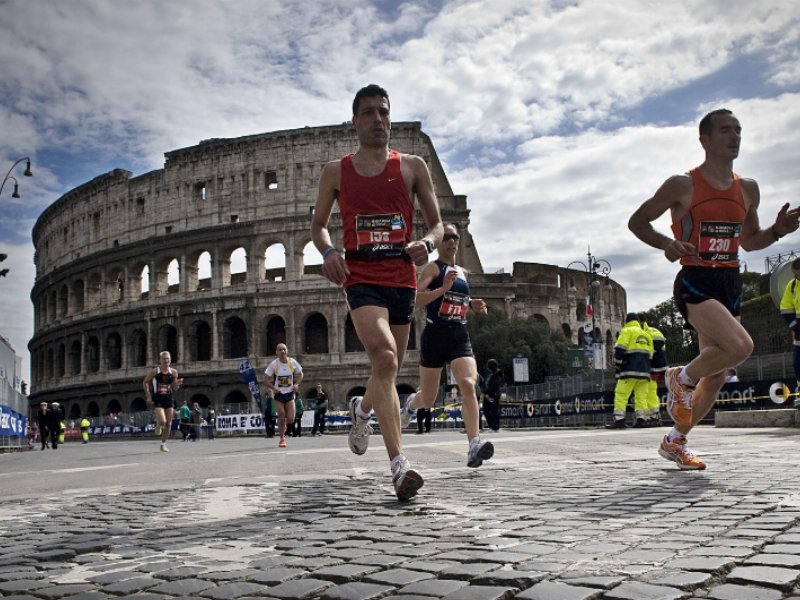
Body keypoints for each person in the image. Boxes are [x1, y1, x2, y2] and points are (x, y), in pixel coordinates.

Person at [628, 108, 800, 470]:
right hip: (695, 278)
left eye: (738, 130)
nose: (734, 136)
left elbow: (751, 241)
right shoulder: (683, 185)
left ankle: (676, 440)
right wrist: (665, 244)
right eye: (725, 131)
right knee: (740, 346)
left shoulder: (748, 188)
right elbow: (638, 221)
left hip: (730, 281)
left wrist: (779, 230)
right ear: (704, 139)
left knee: (719, 372)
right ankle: (681, 376)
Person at [310, 83, 443, 501]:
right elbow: (316, 227)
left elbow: (438, 225)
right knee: (385, 357)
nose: (377, 119)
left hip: (401, 277)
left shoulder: (413, 166)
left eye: (383, 112)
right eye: (368, 112)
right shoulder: (336, 171)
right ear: (354, 121)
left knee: (388, 369)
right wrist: (330, 250)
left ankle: (362, 410)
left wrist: (430, 244)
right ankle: (399, 466)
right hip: (361, 277)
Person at [400, 223, 494, 467]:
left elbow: (459, 297)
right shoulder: (433, 268)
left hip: (458, 335)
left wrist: (472, 304)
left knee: (467, 384)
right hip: (435, 335)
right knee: (429, 400)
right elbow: (415, 299)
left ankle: (474, 444)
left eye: (455, 237)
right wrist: (442, 289)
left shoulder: (463, 271)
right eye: (447, 237)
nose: (452, 241)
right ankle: (411, 403)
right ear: (439, 243)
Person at [606, 313, 653, 429]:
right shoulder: (646, 335)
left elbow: (620, 348)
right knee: (641, 397)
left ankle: (620, 420)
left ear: (626, 321)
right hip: (645, 372)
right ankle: (641, 420)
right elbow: (651, 354)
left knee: (621, 394)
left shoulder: (626, 331)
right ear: (637, 321)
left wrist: (617, 363)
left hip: (629, 370)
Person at [264, 343, 303, 448]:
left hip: (289, 393)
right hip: (279, 394)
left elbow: (301, 374)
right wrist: (273, 388)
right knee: (281, 415)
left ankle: (284, 424)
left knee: (290, 419)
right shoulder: (274, 364)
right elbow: (266, 379)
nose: (282, 351)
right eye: (280, 350)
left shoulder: (292, 362)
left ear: (287, 351)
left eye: (284, 349)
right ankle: (282, 438)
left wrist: (297, 384)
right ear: (276, 352)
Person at [143, 350, 184, 452]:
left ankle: (163, 444)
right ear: (160, 360)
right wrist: (148, 396)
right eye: (164, 359)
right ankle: (158, 425)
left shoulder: (174, 372)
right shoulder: (155, 371)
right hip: (158, 398)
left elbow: (175, 388)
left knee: (169, 423)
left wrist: (177, 384)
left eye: (168, 359)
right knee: (162, 421)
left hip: (169, 398)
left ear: (170, 360)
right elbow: (145, 382)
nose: (166, 360)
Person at [640, 314, 668, 426]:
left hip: (650, 367)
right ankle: (652, 416)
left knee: (647, 392)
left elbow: (651, 350)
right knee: (648, 392)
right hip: (652, 367)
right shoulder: (651, 331)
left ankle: (651, 417)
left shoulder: (647, 333)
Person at [779, 257, 800, 406]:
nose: (796, 277)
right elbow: (785, 310)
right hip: (799, 332)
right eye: (795, 274)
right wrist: (794, 326)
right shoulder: (792, 286)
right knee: (798, 364)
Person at [481, 359, 505, 432]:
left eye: (489, 365)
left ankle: (496, 427)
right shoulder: (489, 373)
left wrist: (485, 390)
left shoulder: (498, 373)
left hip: (494, 394)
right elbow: (485, 382)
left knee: (494, 411)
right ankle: (491, 426)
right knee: (486, 410)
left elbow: (495, 385)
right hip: (487, 395)